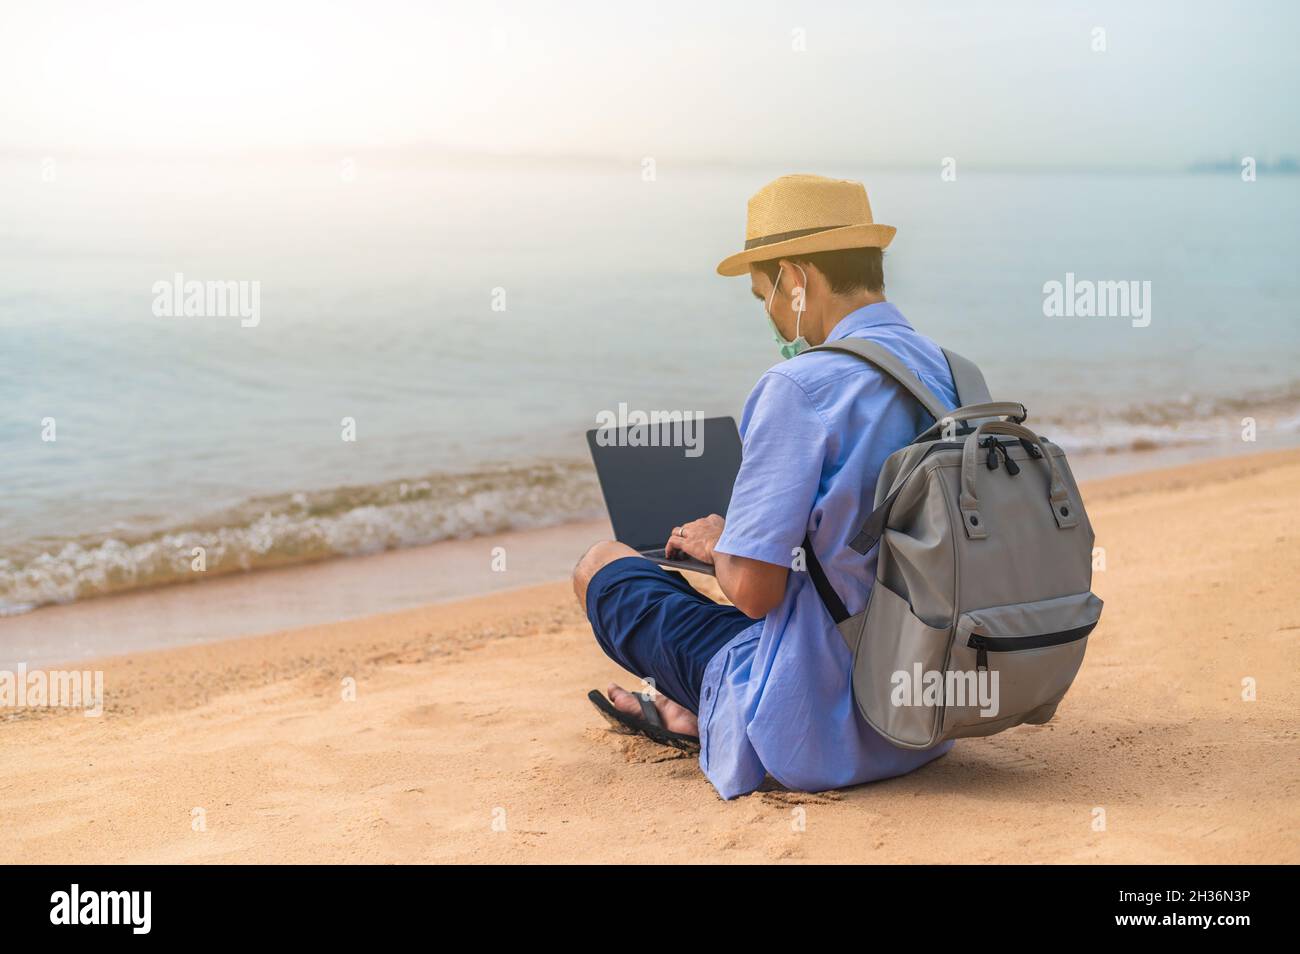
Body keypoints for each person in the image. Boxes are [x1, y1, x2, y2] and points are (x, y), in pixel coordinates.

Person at [574, 174, 958, 799]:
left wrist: (723, 543)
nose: (772, 316)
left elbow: (754, 594)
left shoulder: (799, 386)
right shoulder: (948, 372)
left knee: (601, 566)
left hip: (816, 727)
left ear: (797, 279)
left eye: (764, 296)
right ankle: (690, 706)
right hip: (924, 713)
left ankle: (705, 711)